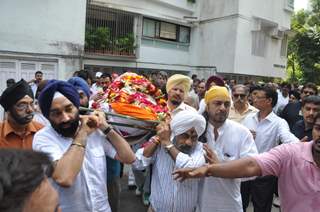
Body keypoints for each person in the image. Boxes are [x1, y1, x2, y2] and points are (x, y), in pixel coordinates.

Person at [173, 112, 320, 212]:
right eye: (318, 129)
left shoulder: (241, 131)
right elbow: (252, 165)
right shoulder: (291, 153)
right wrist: (208, 170)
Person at [33, 80, 135, 212]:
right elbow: (65, 178)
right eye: (56, 113)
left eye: (69, 109)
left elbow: (129, 158)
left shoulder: (95, 129)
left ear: (77, 107)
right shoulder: (43, 138)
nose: (65, 118)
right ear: (48, 116)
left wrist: (105, 127)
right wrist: (83, 133)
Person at [196, 86, 258, 212]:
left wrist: (220, 167)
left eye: (227, 104)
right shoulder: (196, 132)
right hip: (201, 205)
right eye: (217, 103)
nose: (223, 108)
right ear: (207, 107)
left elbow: (252, 170)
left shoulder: (242, 132)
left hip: (230, 205)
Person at [133, 110, 207, 212]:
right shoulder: (159, 143)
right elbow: (138, 164)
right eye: (185, 136)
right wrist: (158, 139)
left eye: (194, 138)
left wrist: (167, 143)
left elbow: (188, 167)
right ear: (175, 132)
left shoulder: (200, 148)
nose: (189, 142)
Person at [241, 85, 299, 212]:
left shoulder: (279, 123)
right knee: (240, 205)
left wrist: (301, 145)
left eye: (258, 97)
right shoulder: (248, 118)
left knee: (262, 208)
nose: (253, 99)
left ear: (269, 101)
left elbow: (287, 138)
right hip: (244, 168)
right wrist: (245, 136)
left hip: (264, 173)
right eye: (254, 96)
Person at [0, 79, 43, 149]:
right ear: (8, 110)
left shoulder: (42, 131)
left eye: (31, 104)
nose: (30, 110)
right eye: (22, 105)